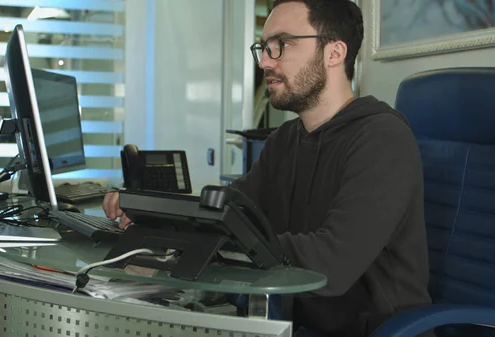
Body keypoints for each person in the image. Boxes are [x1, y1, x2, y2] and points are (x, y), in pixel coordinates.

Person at [104, 0, 433, 336]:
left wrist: (230, 244)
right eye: (263, 48)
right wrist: (153, 213)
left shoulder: (382, 139)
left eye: (281, 45)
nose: (264, 61)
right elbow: (231, 211)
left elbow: (331, 264)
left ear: (334, 53)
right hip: (292, 323)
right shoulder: (287, 139)